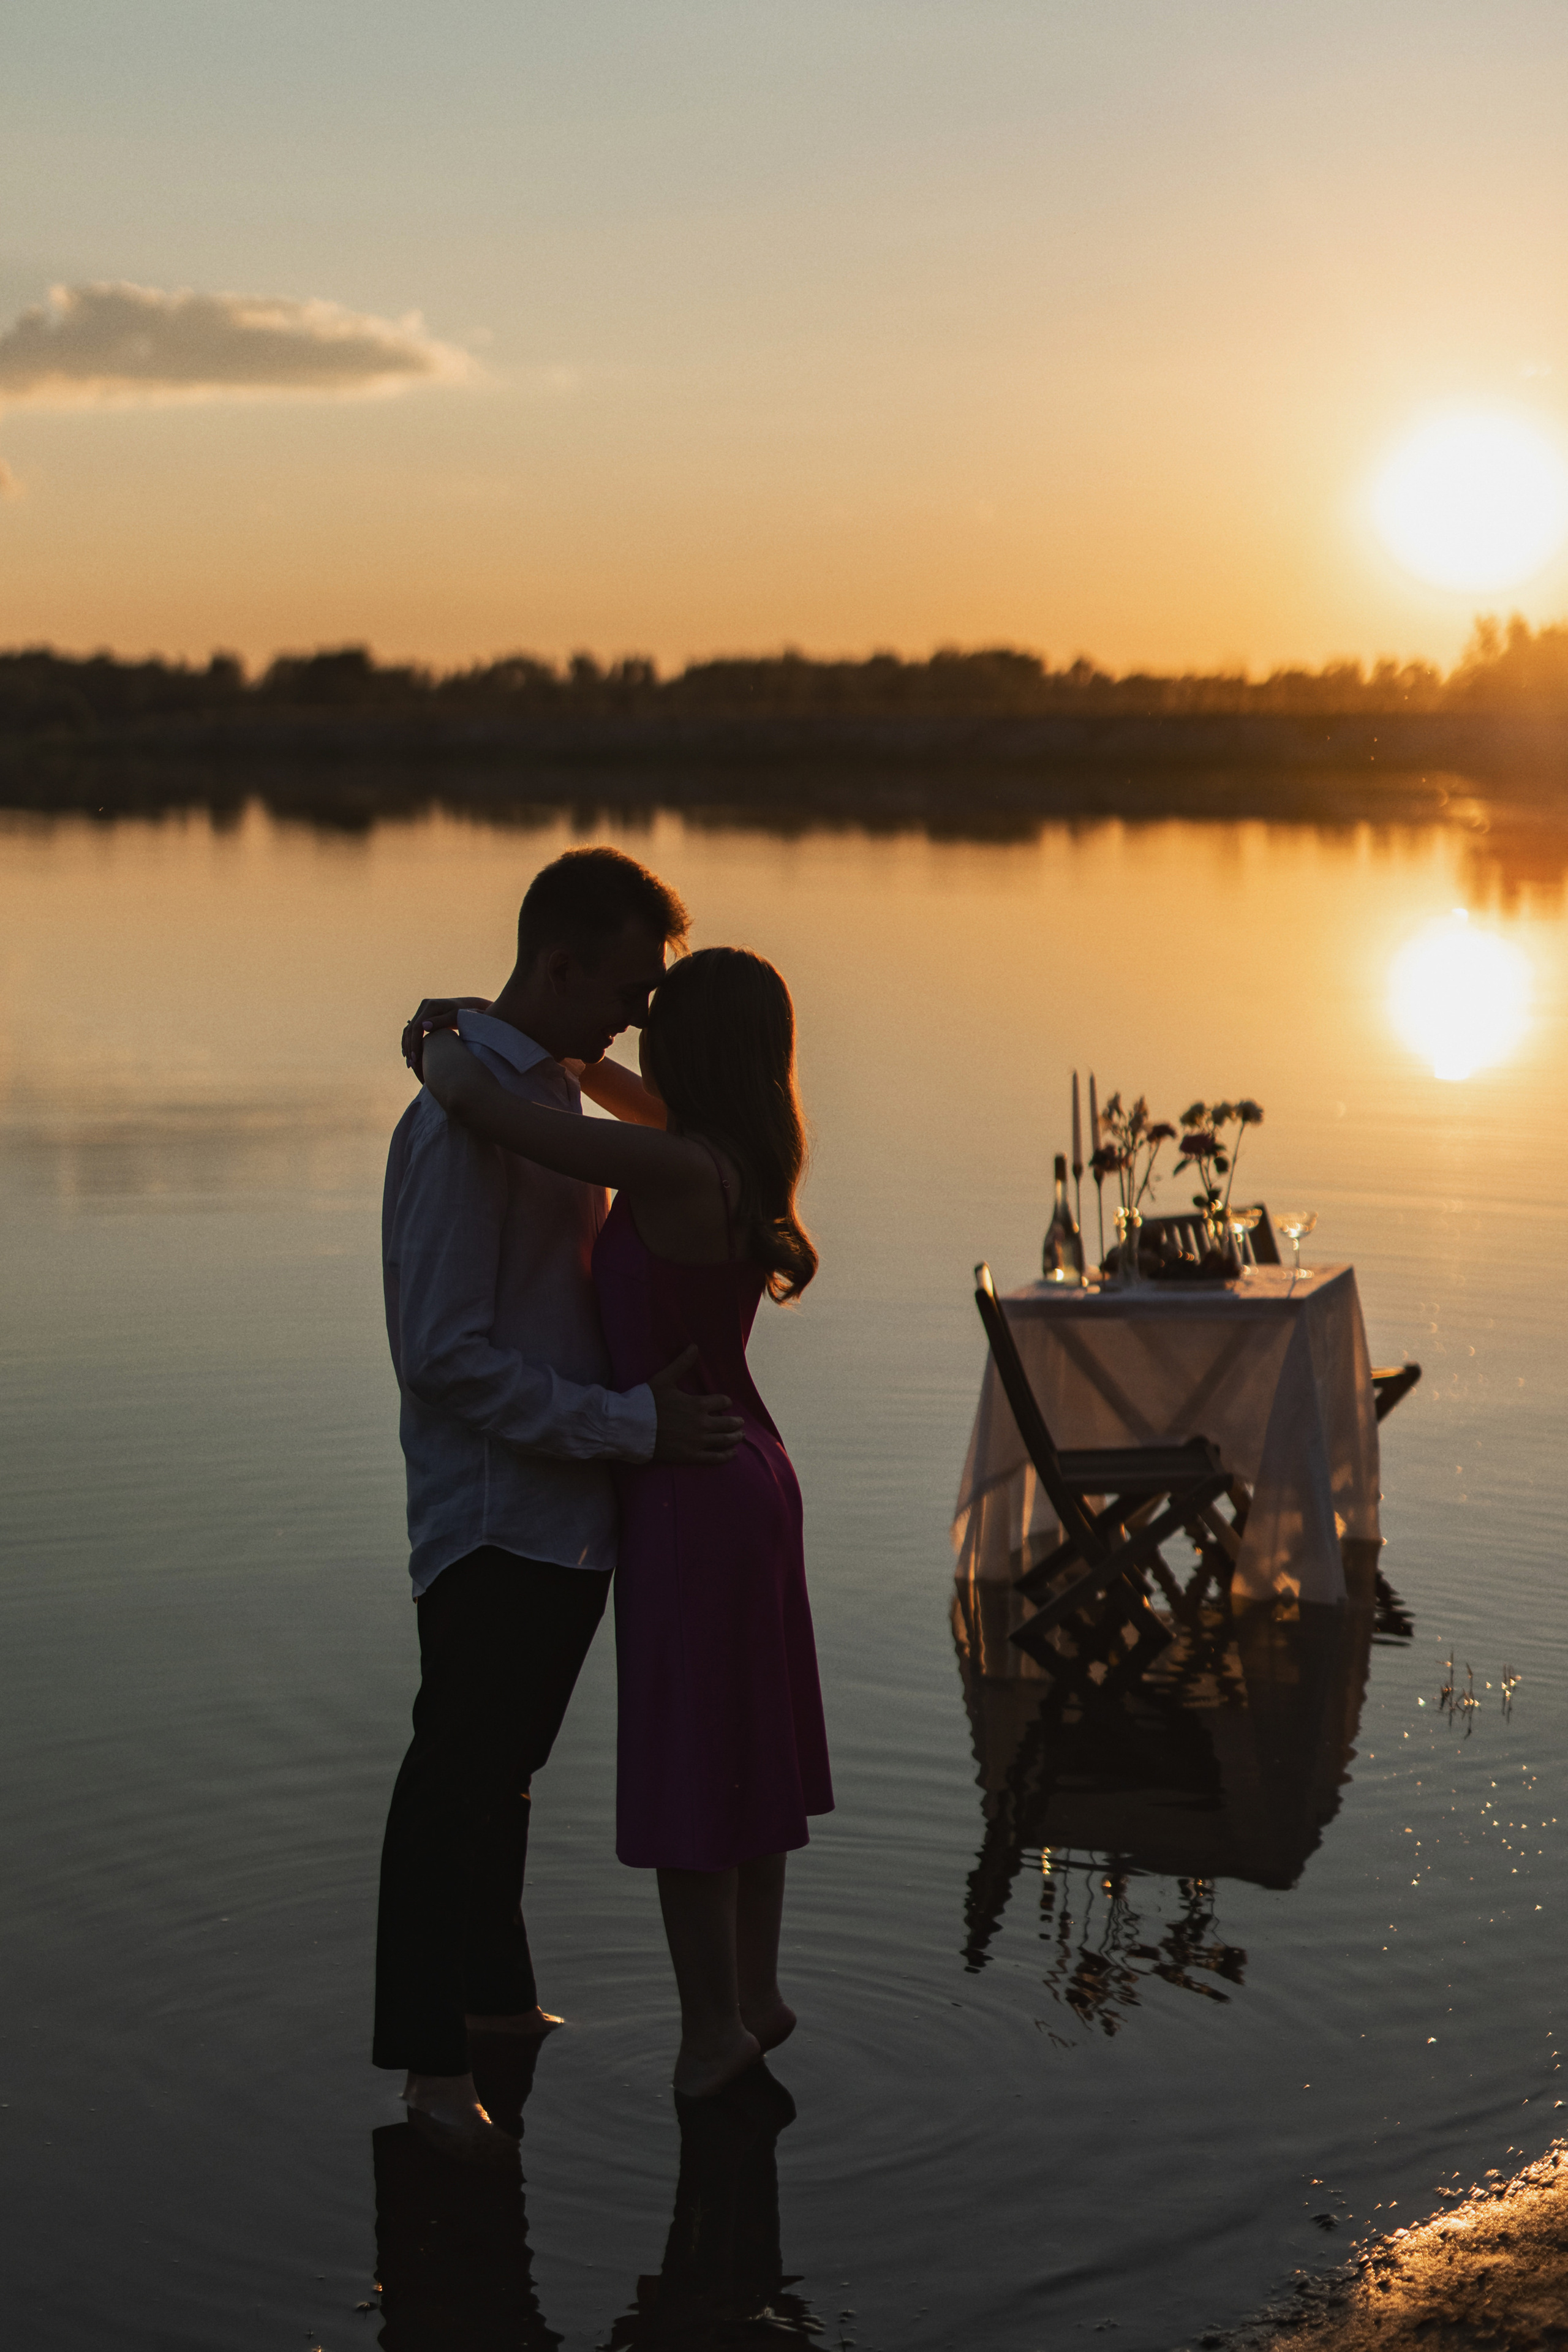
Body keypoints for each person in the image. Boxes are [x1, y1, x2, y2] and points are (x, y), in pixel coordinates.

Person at [415, 943, 834, 2098]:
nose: (634, 1034)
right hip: (749, 1470)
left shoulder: (669, 1170)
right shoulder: (731, 1153)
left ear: (691, 1049)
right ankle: (755, 1996)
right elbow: (605, 1097)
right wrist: (564, 1043)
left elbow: (498, 1120)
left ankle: (712, 2037)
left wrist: (439, 1047)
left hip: (694, 1489)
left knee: (695, 1764)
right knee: (749, 1750)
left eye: (656, 1021)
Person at [376, 847, 744, 2159]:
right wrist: (630, 1425)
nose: (637, 1014)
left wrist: (460, 1043)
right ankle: (429, 2080)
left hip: (570, 1504)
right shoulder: (460, 1128)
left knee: (503, 1780)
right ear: (561, 961)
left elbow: (642, 1106)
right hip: (493, 1513)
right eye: (629, 989)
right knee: (453, 1784)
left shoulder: (527, 1091)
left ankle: (493, 2008)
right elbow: (442, 1355)